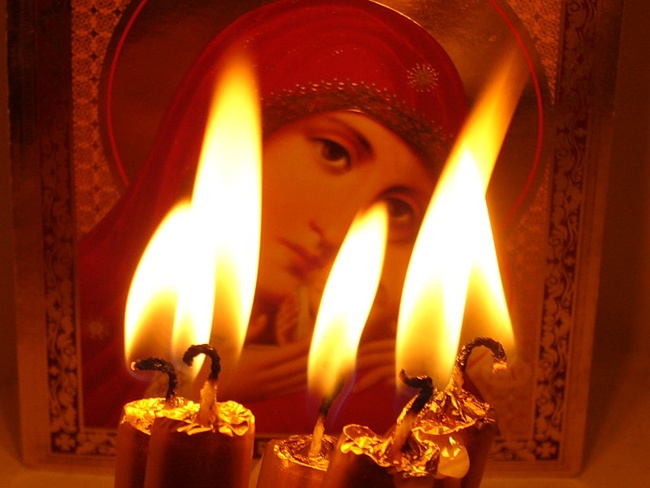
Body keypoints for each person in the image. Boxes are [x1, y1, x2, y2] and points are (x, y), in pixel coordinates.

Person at [79, 0, 467, 433]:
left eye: (397, 209)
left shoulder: (388, 398)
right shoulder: (73, 306)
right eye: (334, 152)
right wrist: (193, 389)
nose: (339, 232)